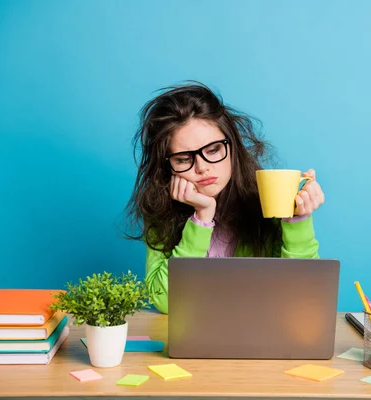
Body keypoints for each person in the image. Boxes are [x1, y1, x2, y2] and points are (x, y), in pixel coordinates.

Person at [126, 82, 325, 314]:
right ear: (168, 168)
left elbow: (304, 295)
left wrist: (298, 221)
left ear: (232, 147)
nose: (201, 168)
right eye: (183, 159)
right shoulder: (162, 212)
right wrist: (201, 219)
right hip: (194, 336)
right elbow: (165, 302)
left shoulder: (267, 201)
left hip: (263, 336)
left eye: (212, 150)